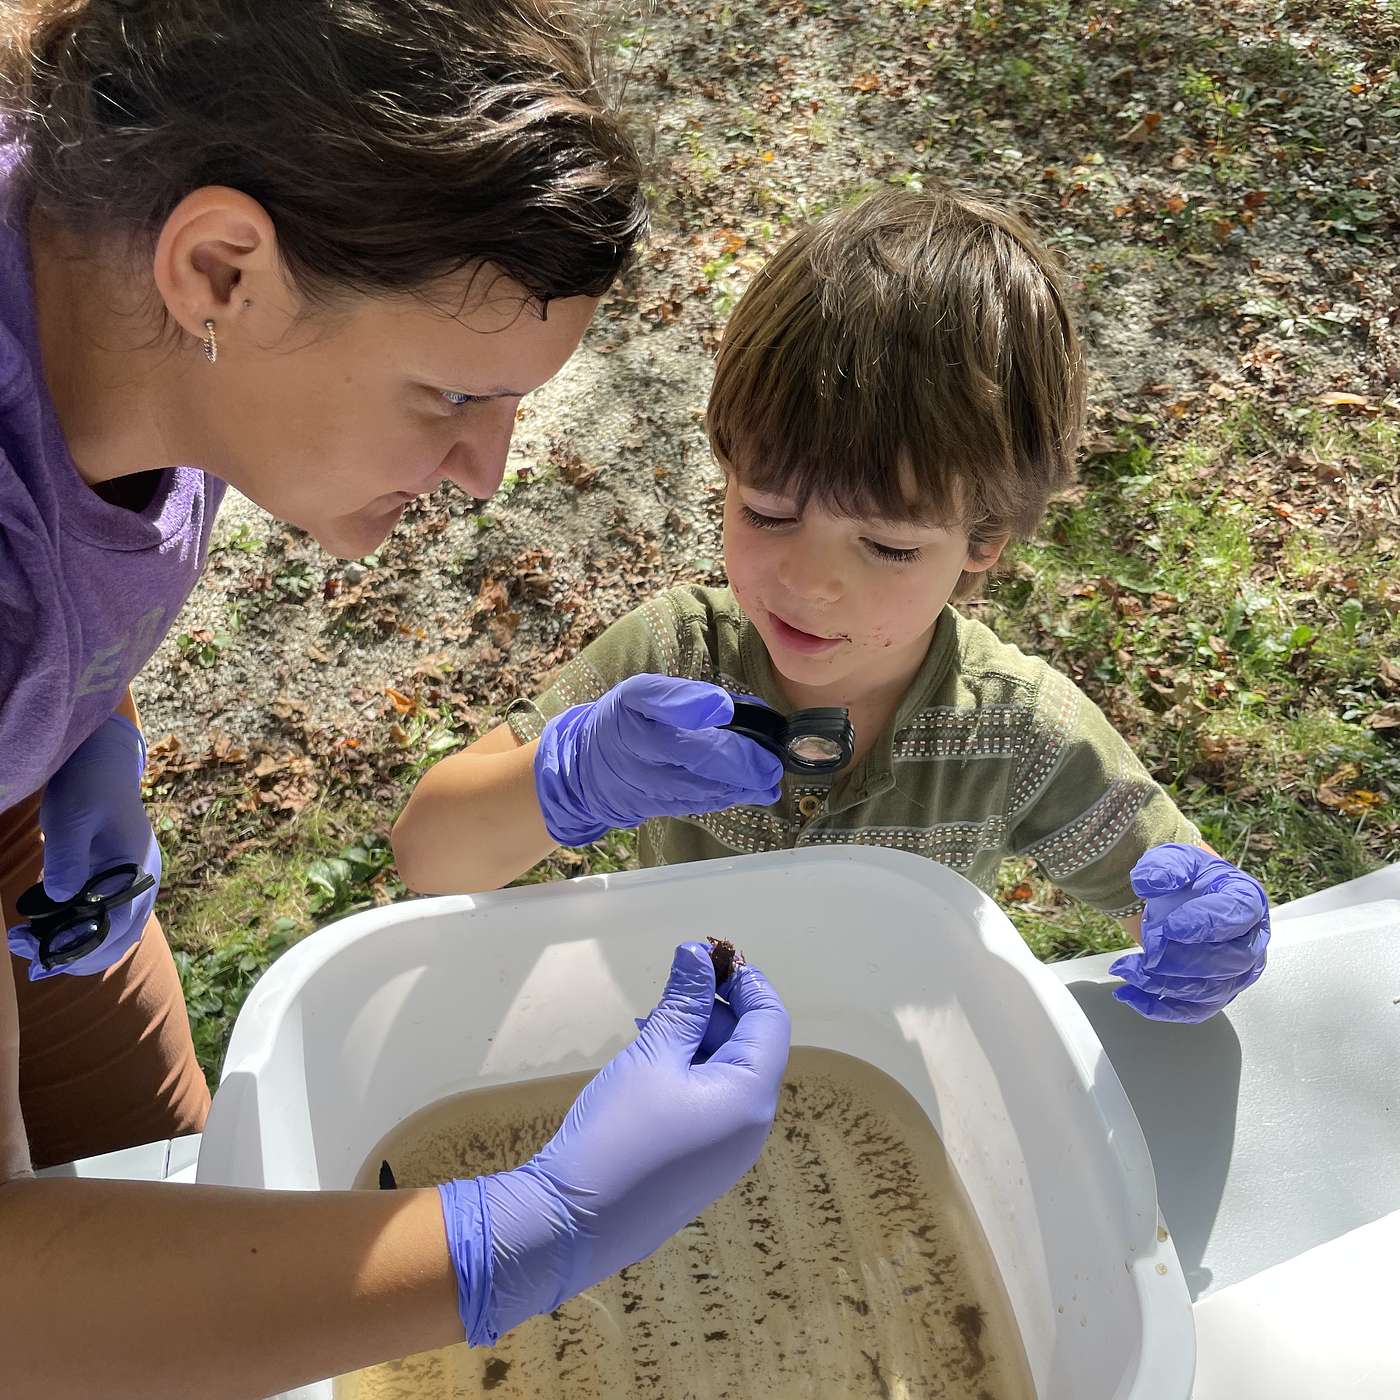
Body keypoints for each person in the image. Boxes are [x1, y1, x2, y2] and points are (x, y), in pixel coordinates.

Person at [0, 3, 790, 1395]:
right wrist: (521, 1237)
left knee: (161, 1170)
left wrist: (78, 746)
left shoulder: (100, 270)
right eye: (452, 394)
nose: (487, 471)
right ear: (223, 269)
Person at [394, 187, 1272, 1026]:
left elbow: (1166, 895)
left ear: (985, 540)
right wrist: (571, 778)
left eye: (889, 546)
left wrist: (1209, 937)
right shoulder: (673, 660)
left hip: (888, 1061)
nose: (810, 583)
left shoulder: (1019, 734)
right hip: (672, 1041)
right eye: (768, 513)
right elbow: (433, 857)